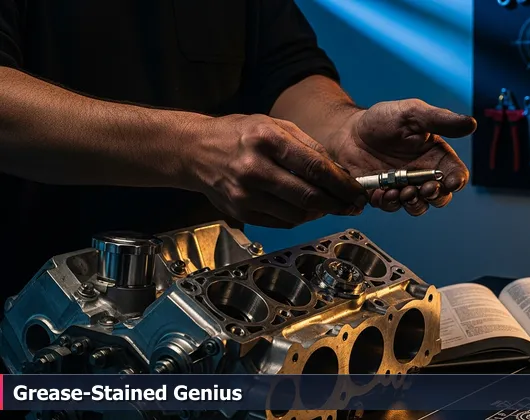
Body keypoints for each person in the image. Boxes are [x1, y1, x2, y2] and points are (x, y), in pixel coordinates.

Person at [0, 1, 476, 303]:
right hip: (26, 315)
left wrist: (344, 130)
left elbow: (287, 72)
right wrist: (192, 148)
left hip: (208, 309)